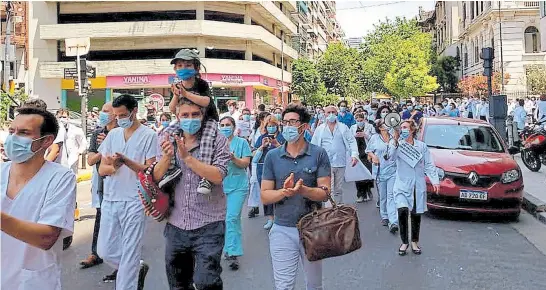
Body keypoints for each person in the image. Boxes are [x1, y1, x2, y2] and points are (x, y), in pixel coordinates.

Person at [153, 97, 230, 290]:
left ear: (203, 116)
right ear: (177, 117)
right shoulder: (165, 139)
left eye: (195, 114)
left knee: (207, 282)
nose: (190, 119)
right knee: (178, 284)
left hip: (209, 224)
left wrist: (187, 157)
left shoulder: (217, 140)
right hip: (176, 224)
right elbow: (156, 175)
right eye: (185, 115)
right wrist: (167, 157)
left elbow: (218, 175)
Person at [1, 107, 76, 289]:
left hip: (31, 282)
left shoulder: (60, 178)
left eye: (24, 133)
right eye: (12, 131)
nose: (13, 138)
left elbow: (46, 238)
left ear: (47, 141)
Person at [261, 104, 331, 290]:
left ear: (304, 126)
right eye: (285, 122)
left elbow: (325, 193)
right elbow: (265, 196)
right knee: (284, 286)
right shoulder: (273, 156)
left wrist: (303, 190)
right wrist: (284, 192)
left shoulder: (318, 154)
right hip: (282, 229)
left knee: (314, 285)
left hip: (313, 229)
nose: (287, 126)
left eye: (293, 122)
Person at [98, 94, 157, 289]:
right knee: (105, 251)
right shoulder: (113, 135)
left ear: (134, 112)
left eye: (122, 115)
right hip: (111, 198)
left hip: (135, 199)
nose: (119, 119)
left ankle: (128, 281)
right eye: (116, 115)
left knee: (130, 251)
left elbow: (150, 170)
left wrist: (127, 161)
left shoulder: (149, 135)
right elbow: (102, 169)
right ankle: (136, 268)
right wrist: (114, 166)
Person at [168, 48, 220, 195]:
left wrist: (185, 94)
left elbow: (206, 101)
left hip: (207, 119)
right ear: (175, 69)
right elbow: (172, 108)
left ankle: (206, 177)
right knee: (167, 134)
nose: (183, 68)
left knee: (207, 141)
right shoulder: (177, 86)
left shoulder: (201, 84)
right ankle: (170, 168)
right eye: (180, 66)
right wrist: (176, 95)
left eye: (188, 65)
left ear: (196, 68)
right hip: (185, 119)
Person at [80, 102, 118, 270]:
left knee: (120, 220)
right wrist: (104, 147)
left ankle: (120, 259)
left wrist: (112, 142)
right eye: (102, 110)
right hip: (103, 182)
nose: (102, 114)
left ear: (115, 114)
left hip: (121, 182)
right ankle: (95, 253)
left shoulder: (123, 133)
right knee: (101, 216)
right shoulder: (97, 134)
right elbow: (90, 160)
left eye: (105, 111)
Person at [394, 120, 440, 256]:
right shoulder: (397, 146)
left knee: (415, 213)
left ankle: (414, 241)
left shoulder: (422, 146)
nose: (403, 130)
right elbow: (389, 157)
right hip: (402, 184)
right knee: (402, 211)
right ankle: (404, 242)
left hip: (417, 184)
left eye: (405, 127)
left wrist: (435, 181)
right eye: (401, 128)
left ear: (412, 130)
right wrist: (394, 141)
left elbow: (429, 164)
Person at [218, 116, 252, 271]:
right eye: (222, 125)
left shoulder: (242, 142)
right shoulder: (215, 143)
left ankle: (233, 252)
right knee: (225, 220)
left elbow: (245, 163)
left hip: (238, 186)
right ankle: (227, 246)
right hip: (219, 187)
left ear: (233, 127)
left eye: (228, 125)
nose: (225, 127)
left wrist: (233, 158)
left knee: (232, 218)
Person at [311, 106, 358, 204]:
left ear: (336, 114)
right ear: (325, 114)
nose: (331, 114)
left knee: (338, 189)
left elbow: (351, 141)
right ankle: (330, 212)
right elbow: (314, 145)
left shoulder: (343, 127)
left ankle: (339, 209)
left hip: (340, 162)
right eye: (329, 112)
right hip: (325, 164)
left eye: (333, 112)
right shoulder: (320, 129)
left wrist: (354, 155)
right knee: (329, 189)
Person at [366, 119, 399, 232]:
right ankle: (384, 216)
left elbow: (397, 146)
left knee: (391, 196)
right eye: (385, 124)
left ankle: (393, 221)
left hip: (393, 171)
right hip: (380, 171)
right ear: (380, 127)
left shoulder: (393, 137)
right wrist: (373, 156)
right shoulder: (374, 138)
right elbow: (368, 151)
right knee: (383, 196)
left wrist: (396, 134)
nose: (387, 125)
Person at [254, 115, 285, 229]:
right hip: (263, 169)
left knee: (279, 193)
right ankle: (270, 218)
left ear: (277, 126)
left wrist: (277, 144)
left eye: (273, 126)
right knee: (266, 194)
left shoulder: (282, 138)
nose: (271, 128)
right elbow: (254, 155)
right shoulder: (262, 138)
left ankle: (280, 217)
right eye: (269, 126)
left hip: (279, 169)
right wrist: (262, 146)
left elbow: (288, 152)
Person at [248, 111, 271, 218]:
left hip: (267, 162)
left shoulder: (271, 132)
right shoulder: (256, 131)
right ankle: (254, 206)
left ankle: (270, 214)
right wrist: (258, 149)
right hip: (257, 160)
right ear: (262, 120)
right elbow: (252, 146)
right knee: (254, 182)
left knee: (267, 186)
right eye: (267, 118)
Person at [350, 112, 375, 202]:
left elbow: (374, 138)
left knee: (368, 173)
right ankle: (360, 194)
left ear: (364, 120)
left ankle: (368, 190)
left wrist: (365, 135)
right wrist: (354, 136)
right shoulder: (352, 128)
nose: (359, 122)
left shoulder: (370, 127)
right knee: (358, 175)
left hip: (367, 152)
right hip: (357, 153)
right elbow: (349, 139)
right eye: (358, 121)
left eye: (361, 120)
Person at [55, 109, 88, 174]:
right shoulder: (54, 130)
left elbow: (83, 143)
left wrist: (78, 153)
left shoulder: (76, 130)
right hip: (58, 161)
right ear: (56, 117)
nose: (62, 119)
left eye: (64, 117)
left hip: (72, 160)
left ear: (68, 118)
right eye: (60, 117)